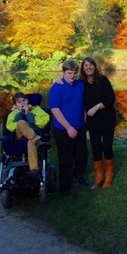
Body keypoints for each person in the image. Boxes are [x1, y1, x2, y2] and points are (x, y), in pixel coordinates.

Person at [48, 59, 88, 195]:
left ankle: (80, 176)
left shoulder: (80, 85)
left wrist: (84, 121)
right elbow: (55, 110)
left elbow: (83, 104)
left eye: (74, 73)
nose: (72, 76)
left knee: (82, 155)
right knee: (66, 158)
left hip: (80, 126)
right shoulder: (56, 88)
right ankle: (65, 186)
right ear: (63, 72)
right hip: (63, 129)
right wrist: (68, 127)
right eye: (69, 73)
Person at [80, 57, 117, 189]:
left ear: (94, 67)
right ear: (83, 69)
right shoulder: (81, 83)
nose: (88, 67)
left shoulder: (103, 80)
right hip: (92, 123)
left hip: (107, 119)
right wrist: (59, 79)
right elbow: (69, 82)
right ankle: (99, 178)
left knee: (106, 147)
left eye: (90, 65)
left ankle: (109, 177)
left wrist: (96, 107)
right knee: (95, 149)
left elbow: (111, 99)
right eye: (85, 66)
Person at [5, 91, 50, 179]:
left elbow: (43, 122)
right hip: (19, 136)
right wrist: (20, 114)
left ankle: (34, 171)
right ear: (15, 105)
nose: (22, 103)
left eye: (24, 100)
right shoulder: (13, 114)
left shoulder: (36, 109)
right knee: (21, 122)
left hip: (33, 135)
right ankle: (37, 141)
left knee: (31, 142)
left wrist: (28, 114)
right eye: (19, 102)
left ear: (27, 101)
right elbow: (11, 127)